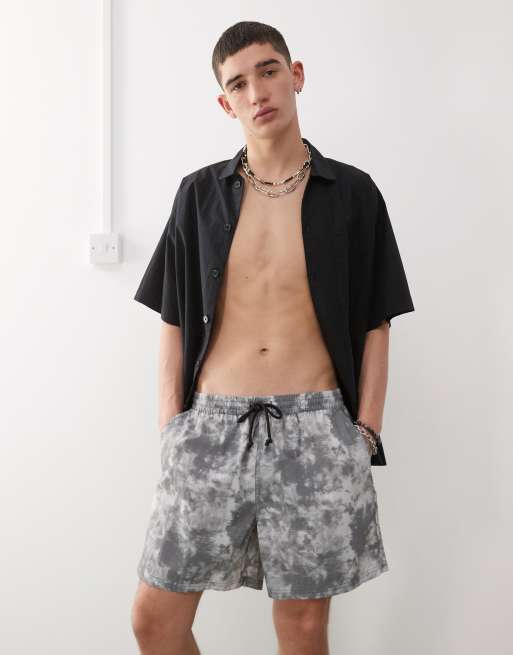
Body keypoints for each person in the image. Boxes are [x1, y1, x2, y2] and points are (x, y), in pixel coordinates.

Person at [131, 20, 415, 655]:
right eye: (238, 83)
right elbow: (172, 318)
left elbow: (378, 321)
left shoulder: (353, 193)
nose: (256, 91)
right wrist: (172, 427)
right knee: (155, 620)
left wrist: (365, 432)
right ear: (224, 102)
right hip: (209, 429)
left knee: (304, 627)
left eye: (268, 71)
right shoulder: (197, 195)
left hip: (316, 429)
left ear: (295, 75)